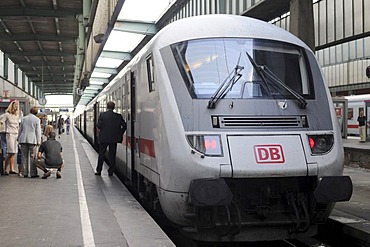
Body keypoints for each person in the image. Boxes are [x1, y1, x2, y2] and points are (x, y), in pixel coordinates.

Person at [95, 101, 126, 176]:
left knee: (101, 154)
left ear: (107, 107)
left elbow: (99, 126)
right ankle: (111, 171)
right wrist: (119, 133)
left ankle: (99, 171)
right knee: (112, 155)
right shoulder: (118, 116)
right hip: (114, 138)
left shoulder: (102, 115)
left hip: (104, 138)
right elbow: (124, 126)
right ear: (114, 107)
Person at [18, 106, 42, 178]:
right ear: (36, 112)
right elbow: (37, 131)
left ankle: (24, 173)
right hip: (32, 140)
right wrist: (39, 140)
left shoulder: (24, 118)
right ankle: (33, 173)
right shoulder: (37, 119)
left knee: (24, 157)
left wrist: (18, 138)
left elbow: (20, 129)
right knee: (33, 157)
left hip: (23, 139)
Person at [0, 101, 19, 175]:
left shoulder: (17, 116)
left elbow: (17, 125)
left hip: (16, 134)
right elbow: (1, 122)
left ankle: (12, 169)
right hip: (10, 134)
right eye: (15, 107)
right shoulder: (7, 115)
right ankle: (5, 168)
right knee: (10, 152)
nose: (16, 108)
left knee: (14, 152)